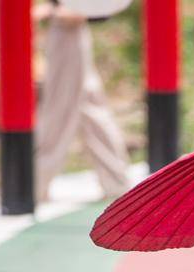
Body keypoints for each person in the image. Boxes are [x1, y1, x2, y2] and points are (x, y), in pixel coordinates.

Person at [33, 1, 130, 204]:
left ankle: (35, 181)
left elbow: (81, 10)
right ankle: (116, 179)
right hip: (67, 29)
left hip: (68, 28)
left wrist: (52, 10)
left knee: (61, 108)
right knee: (89, 106)